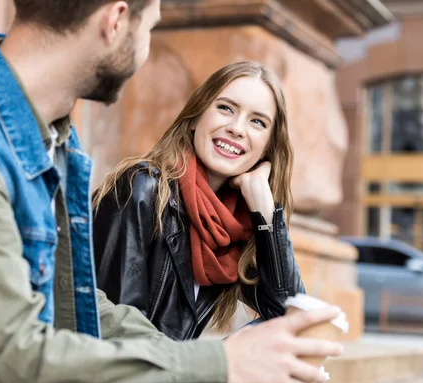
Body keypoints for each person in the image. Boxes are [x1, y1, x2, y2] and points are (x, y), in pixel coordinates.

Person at [0, 1, 343, 383]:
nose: (148, 50)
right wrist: (214, 363)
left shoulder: (51, 139)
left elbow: (81, 305)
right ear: (116, 21)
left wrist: (227, 356)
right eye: (150, 27)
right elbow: (18, 360)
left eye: (257, 122)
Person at [93, 61, 305, 341]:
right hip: (127, 374)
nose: (237, 128)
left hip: (173, 369)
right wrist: (210, 363)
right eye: (225, 108)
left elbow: (291, 316)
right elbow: (115, 330)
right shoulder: (142, 188)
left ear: (268, 146)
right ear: (195, 117)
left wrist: (266, 213)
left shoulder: (236, 222)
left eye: (257, 122)